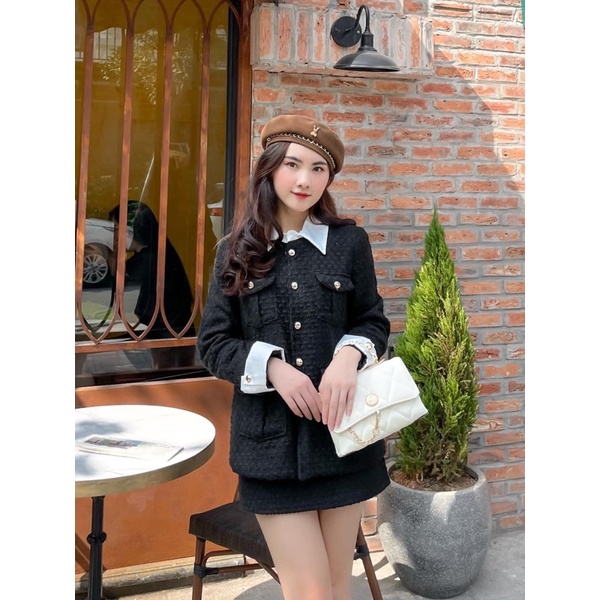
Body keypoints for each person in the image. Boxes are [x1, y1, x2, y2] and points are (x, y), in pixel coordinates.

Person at [196, 114, 390, 600]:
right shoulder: (235, 251)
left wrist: (348, 356)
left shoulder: (349, 243)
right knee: (312, 593)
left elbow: (373, 321)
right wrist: (273, 369)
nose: (305, 179)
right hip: (271, 453)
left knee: (337, 588)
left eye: (318, 169)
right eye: (292, 164)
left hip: (343, 442)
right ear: (269, 169)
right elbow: (212, 344)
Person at [109, 202, 196, 369]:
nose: (114, 235)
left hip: (165, 331)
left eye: (116, 229)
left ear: (131, 230)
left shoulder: (148, 259)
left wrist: (112, 257)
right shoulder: (160, 250)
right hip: (175, 327)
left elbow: (120, 284)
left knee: (165, 373)